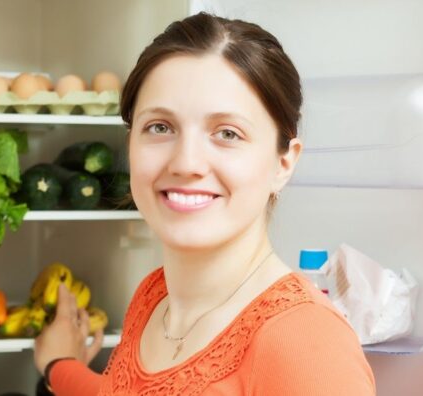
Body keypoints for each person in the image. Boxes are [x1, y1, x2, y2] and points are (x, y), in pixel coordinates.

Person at [33, 12, 376, 395]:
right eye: (160, 127)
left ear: (284, 162)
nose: (185, 163)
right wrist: (58, 366)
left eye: (227, 133)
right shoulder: (154, 299)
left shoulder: (307, 344)